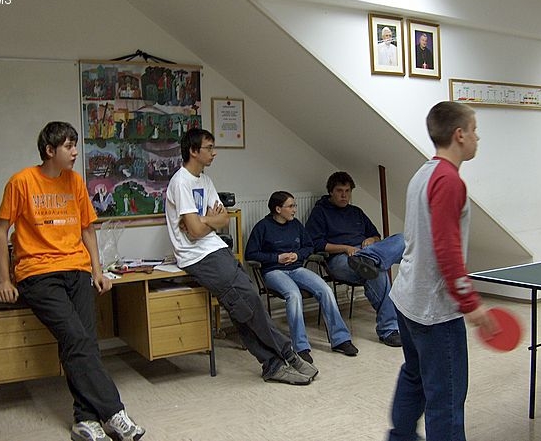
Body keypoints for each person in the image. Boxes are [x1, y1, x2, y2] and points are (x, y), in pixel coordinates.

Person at [0, 122, 145, 441]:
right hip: (37, 273)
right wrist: (5, 279)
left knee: (85, 340)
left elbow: (87, 229)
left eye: (75, 145)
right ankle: (114, 412)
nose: (75, 152)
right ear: (50, 151)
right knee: (76, 337)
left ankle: (84, 420)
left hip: (76, 269)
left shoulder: (75, 181)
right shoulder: (21, 182)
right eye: (68, 146)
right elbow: (1, 229)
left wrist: (97, 271)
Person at [165, 128, 318, 385]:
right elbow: (194, 232)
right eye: (209, 148)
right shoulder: (181, 183)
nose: (214, 153)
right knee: (246, 301)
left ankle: (272, 364)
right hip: (197, 256)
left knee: (243, 304)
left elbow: (223, 219)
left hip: (215, 249)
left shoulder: (205, 181)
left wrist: (204, 220)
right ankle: (286, 353)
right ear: (193, 151)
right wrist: (206, 221)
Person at [387, 102, 498, 441]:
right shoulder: (450, 181)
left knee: (414, 376)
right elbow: (446, 251)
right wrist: (471, 303)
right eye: (474, 130)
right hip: (434, 310)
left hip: (406, 297)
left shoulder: (423, 173)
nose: (478, 137)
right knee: (446, 397)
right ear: (459, 134)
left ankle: (400, 437)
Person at [245, 190, 359, 364]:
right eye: (290, 206)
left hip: (296, 268)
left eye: (294, 206)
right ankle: (300, 347)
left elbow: (309, 247)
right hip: (274, 271)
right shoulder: (263, 227)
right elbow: (251, 254)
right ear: (278, 209)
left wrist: (298, 255)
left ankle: (340, 339)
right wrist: (276, 258)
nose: (294, 210)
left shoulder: (296, 225)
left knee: (325, 289)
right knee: (294, 294)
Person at [305, 171, 404, 347]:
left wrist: (371, 240)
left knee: (402, 239)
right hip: (339, 259)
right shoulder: (320, 212)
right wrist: (345, 248)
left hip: (364, 253)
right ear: (331, 192)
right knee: (376, 271)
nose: (344, 195)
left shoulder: (356, 212)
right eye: (339, 191)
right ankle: (389, 330)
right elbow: (315, 244)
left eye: (348, 191)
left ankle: (369, 258)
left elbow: (376, 235)